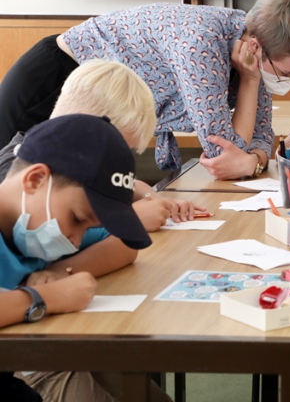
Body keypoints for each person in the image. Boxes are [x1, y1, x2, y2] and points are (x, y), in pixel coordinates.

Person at [0, 0, 290, 180]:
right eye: (288, 74)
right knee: (10, 180)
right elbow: (223, 154)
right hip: (53, 80)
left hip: (96, 100)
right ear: (255, 47)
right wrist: (251, 82)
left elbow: (261, 136)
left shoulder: (250, 42)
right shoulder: (201, 44)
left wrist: (253, 162)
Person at [0, 114, 170, 402]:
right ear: (36, 179)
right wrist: (46, 297)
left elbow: (125, 248)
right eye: (77, 219)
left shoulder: (41, 224)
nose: (76, 241)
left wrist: (60, 271)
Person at [0, 60, 203, 230]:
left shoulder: (73, 164)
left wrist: (151, 196)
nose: (113, 161)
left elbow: (124, 186)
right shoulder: (13, 169)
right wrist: (128, 220)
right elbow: (48, 232)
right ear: (83, 125)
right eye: (112, 151)